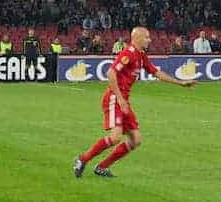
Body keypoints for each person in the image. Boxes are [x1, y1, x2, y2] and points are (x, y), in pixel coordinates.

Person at [72, 26, 196, 178]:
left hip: (123, 101)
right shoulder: (128, 53)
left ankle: (102, 167)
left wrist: (180, 83)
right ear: (137, 38)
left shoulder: (141, 55)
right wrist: (120, 98)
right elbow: (110, 73)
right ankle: (82, 159)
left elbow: (156, 72)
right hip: (114, 98)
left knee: (136, 140)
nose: (149, 40)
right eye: (147, 37)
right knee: (116, 137)